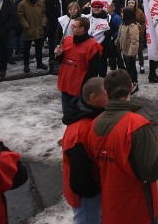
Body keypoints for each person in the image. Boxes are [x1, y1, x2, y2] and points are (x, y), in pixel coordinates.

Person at [86, 70, 158, 224]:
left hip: (111, 208)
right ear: (132, 87)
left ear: (107, 92)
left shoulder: (94, 123)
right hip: (138, 211)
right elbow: (152, 171)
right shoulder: (136, 124)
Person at [62, 77, 107, 224]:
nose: (110, 97)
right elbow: (79, 177)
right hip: (86, 196)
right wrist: (92, 192)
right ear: (93, 98)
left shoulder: (91, 113)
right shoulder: (80, 132)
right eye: (106, 94)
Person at [55, 17, 103, 112]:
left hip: (79, 88)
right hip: (65, 84)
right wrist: (59, 55)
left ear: (82, 29)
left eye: (74, 26)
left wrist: (85, 88)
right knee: (67, 113)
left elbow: (93, 70)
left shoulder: (92, 46)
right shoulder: (67, 40)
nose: (71, 27)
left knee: (78, 115)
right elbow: (61, 60)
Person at [17, 0, 48, 72]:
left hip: (39, 29)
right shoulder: (22, 4)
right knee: (26, 49)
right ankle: (26, 65)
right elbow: (20, 16)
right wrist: (26, 25)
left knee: (39, 48)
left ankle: (39, 63)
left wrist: (43, 23)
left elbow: (44, 14)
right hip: (28, 30)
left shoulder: (40, 2)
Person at [118, 6, 141, 91]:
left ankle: (134, 83)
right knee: (127, 68)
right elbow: (120, 36)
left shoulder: (133, 26)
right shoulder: (122, 25)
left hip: (130, 52)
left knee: (132, 68)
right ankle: (129, 82)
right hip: (124, 50)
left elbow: (134, 41)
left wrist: (131, 53)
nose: (121, 14)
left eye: (122, 13)